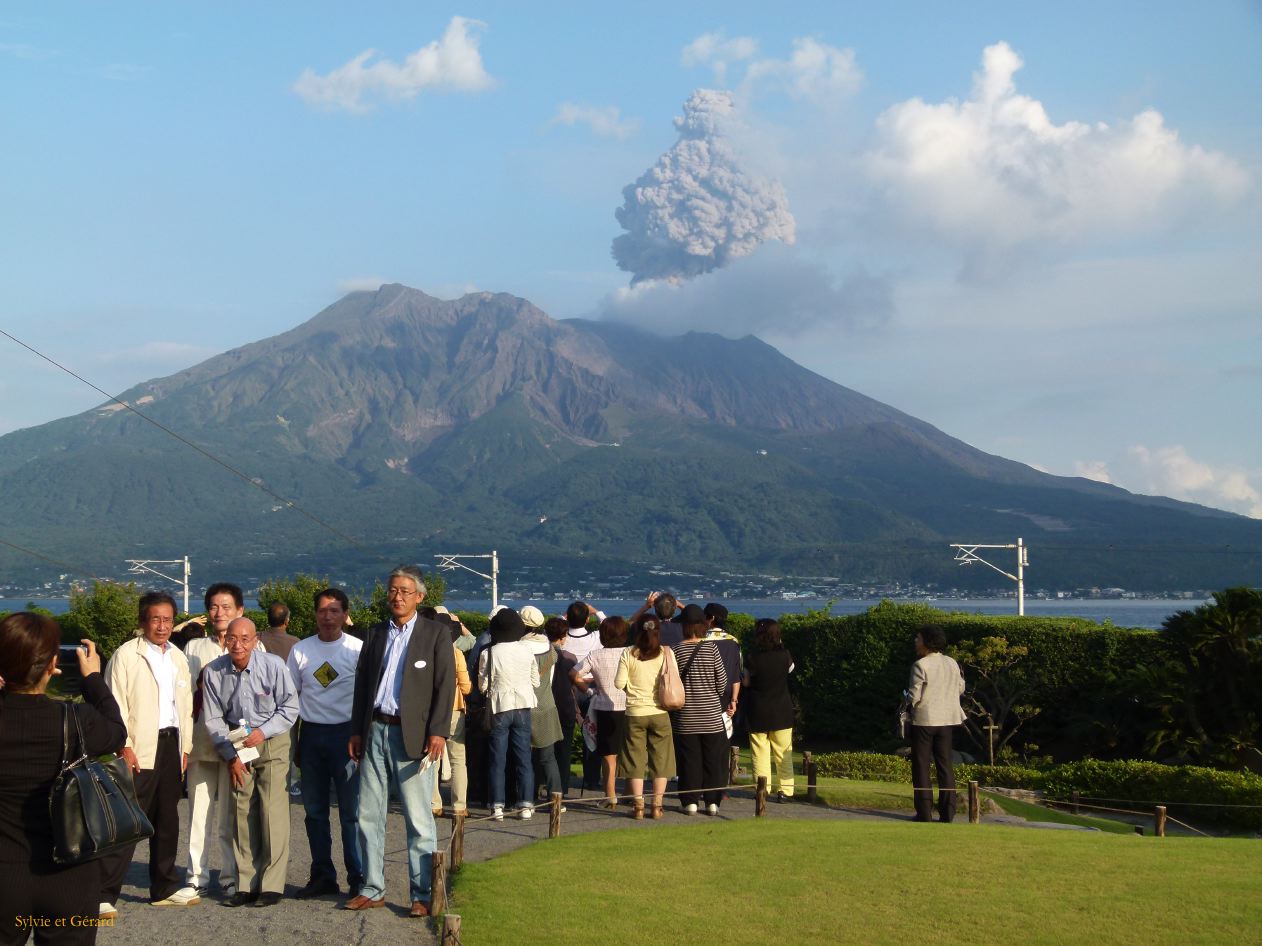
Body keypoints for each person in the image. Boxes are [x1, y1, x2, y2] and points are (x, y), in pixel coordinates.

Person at [0, 614, 126, 945]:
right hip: (70, 877)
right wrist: (94, 679)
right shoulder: (76, 720)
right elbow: (117, 730)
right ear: (53, 663)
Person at [347, 565, 455, 919]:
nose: (396, 597)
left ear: (420, 597)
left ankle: (422, 893)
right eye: (392, 590)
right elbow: (363, 684)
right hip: (375, 727)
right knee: (368, 812)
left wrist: (438, 731)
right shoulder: (375, 633)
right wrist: (356, 730)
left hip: (415, 735)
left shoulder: (435, 634)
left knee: (418, 817)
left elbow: (445, 685)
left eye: (405, 591)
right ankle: (372, 887)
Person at [99, 591, 197, 914]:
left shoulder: (178, 658)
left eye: (168, 619)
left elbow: (183, 708)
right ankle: (102, 894)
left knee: (168, 819)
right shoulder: (126, 655)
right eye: (155, 618)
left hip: (172, 745)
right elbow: (114, 704)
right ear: (143, 621)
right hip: (139, 746)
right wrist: (122, 745)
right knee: (127, 821)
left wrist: (186, 748)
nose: (162, 625)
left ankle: (164, 886)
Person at [202, 617, 299, 907]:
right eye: (232, 638)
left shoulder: (274, 666)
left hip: (272, 739)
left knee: (272, 809)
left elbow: (290, 707)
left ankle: (271, 884)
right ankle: (245, 882)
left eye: (245, 639)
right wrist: (230, 755)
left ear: (256, 640)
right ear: (225, 640)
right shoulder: (214, 672)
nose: (238, 645)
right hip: (237, 743)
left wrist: (262, 732)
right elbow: (213, 717)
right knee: (241, 812)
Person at [286, 588, 364, 899]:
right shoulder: (301, 650)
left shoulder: (358, 649)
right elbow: (290, 697)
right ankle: (322, 875)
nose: (328, 617)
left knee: (351, 812)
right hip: (312, 734)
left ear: (345, 614)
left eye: (334, 611)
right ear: (315, 614)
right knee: (314, 811)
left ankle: (358, 877)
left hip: (347, 736)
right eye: (322, 611)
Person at [183, 582, 246, 897]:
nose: (220, 613)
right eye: (214, 607)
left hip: (236, 745)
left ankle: (230, 875)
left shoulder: (253, 647)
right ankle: (196, 874)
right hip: (201, 741)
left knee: (230, 815)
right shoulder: (194, 648)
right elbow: (185, 696)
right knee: (198, 811)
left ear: (240, 611)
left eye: (226, 607)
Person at [478, 608, 539, 821]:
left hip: (499, 707)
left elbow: (483, 685)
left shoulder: (489, 652)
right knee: (524, 758)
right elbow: (536, 681)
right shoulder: (526, 650)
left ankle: (497, 806)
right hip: (523, 704)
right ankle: (526, 804)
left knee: (497, 758)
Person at [614, 617, 676, 819]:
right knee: (661, 760)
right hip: (659, 711)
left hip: (634, 712)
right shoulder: (666, 652)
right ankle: (657, 805)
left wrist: (631, 690)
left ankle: (638, 805)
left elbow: (618, 683)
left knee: (635, 760)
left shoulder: (628, 652)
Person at [670, 604, 728, 816]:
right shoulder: (711, 648)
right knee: (713, 760)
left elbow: (671, 682)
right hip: (711, 715)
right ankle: (712, 802)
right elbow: (722, 683)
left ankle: (690, 801)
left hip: (685, 717)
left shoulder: (675, 650)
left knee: (689, 761)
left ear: (684, 626)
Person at [908, 624, 967, 823]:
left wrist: (906, 701)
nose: (916, 641)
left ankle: (924, 812)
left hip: (925, 720)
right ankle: (948, 812)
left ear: (926, 641)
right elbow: (960, 688)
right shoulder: (951, 662)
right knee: (945, 765)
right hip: (948, 719)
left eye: (918, 638)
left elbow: (914, 696)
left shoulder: (920, 665)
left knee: (921, 765)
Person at [574, 615, 628, 809]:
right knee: (631, 751)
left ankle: (610, 794)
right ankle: (631, 792)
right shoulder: (631, 652)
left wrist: (588, 690)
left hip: (605, 707)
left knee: (609, 754)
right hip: (630, 706)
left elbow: (574, 673)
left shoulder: (596, 655)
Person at [744, 618, 796, 803]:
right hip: (781, 709)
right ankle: (786, 791)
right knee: (784, 753)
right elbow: (791, 669)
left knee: (760, 752)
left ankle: (762, 789)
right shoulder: (785, 655)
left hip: (758, 709)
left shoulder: (752, 657)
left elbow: (747, 682)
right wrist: (780, 645)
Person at [429, 614, 472, 818]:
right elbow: (466, 686)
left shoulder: (426, 651)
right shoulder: (456, 653)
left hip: (431, 709)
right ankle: (459, 805)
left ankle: (433, 803)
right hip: (454, 708)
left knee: (432, 758)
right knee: (458, 759)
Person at [521, 609, 564, 805]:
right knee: (548, 758)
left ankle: (526, 798)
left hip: (523, 706)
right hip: (546, 704)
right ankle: (555, 797)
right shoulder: (550, 648)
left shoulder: (519, 647)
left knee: (524, 758)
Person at [561, 601, 604, 791]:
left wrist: (564, 617)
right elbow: (610, 625)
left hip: (567, 687)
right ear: (587, 620)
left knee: (564, 734)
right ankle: (592, 779)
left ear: (568, 618)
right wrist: (597, 611)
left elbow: (552, 626)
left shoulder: (562, 638)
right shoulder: (596, 637)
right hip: (590, 686)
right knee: (592, 734)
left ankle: (560, 779)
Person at [544, 617, 579, 801]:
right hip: (565, 706)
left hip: (546, 705)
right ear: (563, 636)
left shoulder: (541, 656)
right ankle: (561, 789)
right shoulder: (569, 658)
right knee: (564, 751)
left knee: (544, 749)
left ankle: (543, 784)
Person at [703, 603, 741, 736]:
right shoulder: (733, 642)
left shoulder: (700, 640)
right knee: (723, 739)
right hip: (726, 698)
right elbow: (737, 675)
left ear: (711, 618)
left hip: (703, 697)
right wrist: (734, 700)